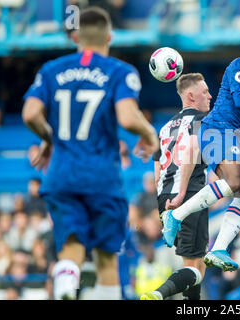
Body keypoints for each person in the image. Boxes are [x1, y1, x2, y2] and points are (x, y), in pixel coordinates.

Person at [21, 7, 158, 300]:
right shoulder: (120, 71)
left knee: (70, 247)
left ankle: (66, 285)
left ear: (75, 38)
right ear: (109, 36)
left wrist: (50, 138)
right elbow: (126, 117)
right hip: (101, 177)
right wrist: (149, 134)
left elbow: (30, 113)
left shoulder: (51, 70)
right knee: (107, 256)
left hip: (61, 175)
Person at [160, 18, 240, 272]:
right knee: (234, 182)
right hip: (217, 127)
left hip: (238, 137)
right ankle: (175, 216)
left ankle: (218, 247)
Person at [140, 73, 211, 300]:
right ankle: (159, 294)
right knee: (194, 264)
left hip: (164, 197)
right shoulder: (202, 121)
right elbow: (198, 153)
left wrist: (163, 202)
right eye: (205, 92)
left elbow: (157, 165)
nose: (210, 96)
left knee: (196, 261)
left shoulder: (165, 126)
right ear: (190, 96)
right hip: (189, 194)